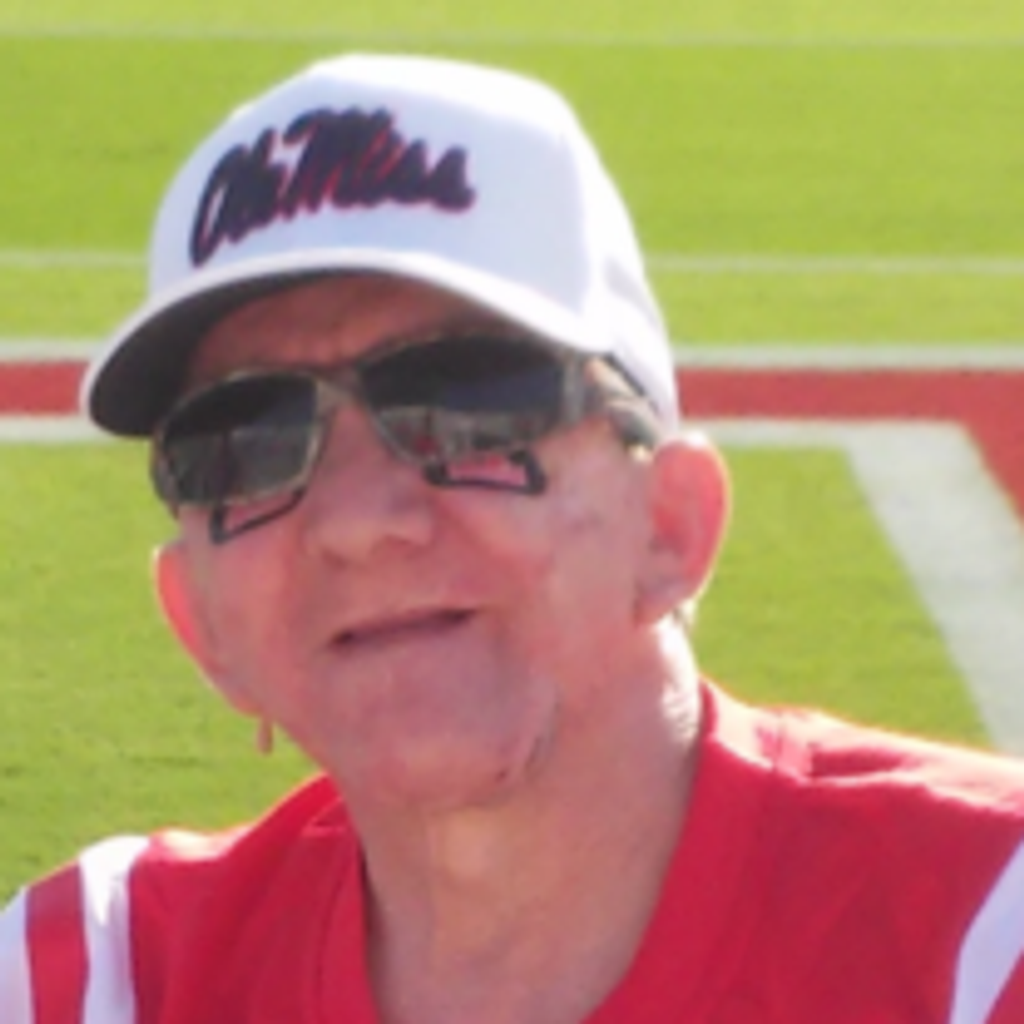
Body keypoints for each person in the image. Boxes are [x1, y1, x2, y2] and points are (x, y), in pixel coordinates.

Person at [1, 52, 1023, 1024]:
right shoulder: (102, 979)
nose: (359, 521)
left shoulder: (983, 936)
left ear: (671, 524)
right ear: (200, 623)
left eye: (467, 406)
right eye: (241, 445)